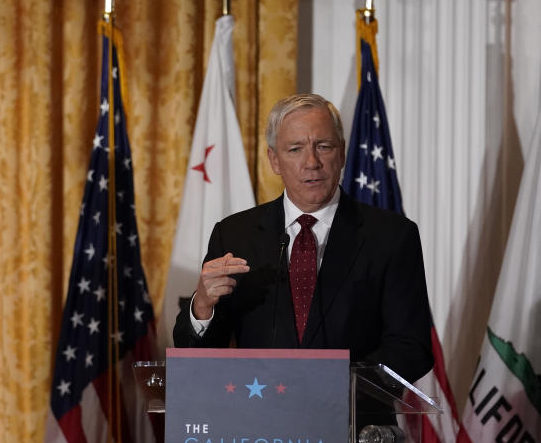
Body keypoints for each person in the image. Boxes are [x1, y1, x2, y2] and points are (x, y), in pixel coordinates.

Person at [173, 93, 433, 383]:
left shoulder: (391, 236)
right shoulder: (235, 235)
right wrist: (203, 306)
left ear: (343, 152)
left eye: (323, 146)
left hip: (354, 419)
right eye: (295, 149)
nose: (312, 162)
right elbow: (197, 354)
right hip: (262, 420)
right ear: (274, 160)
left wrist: (335, 386)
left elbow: (412, 348)